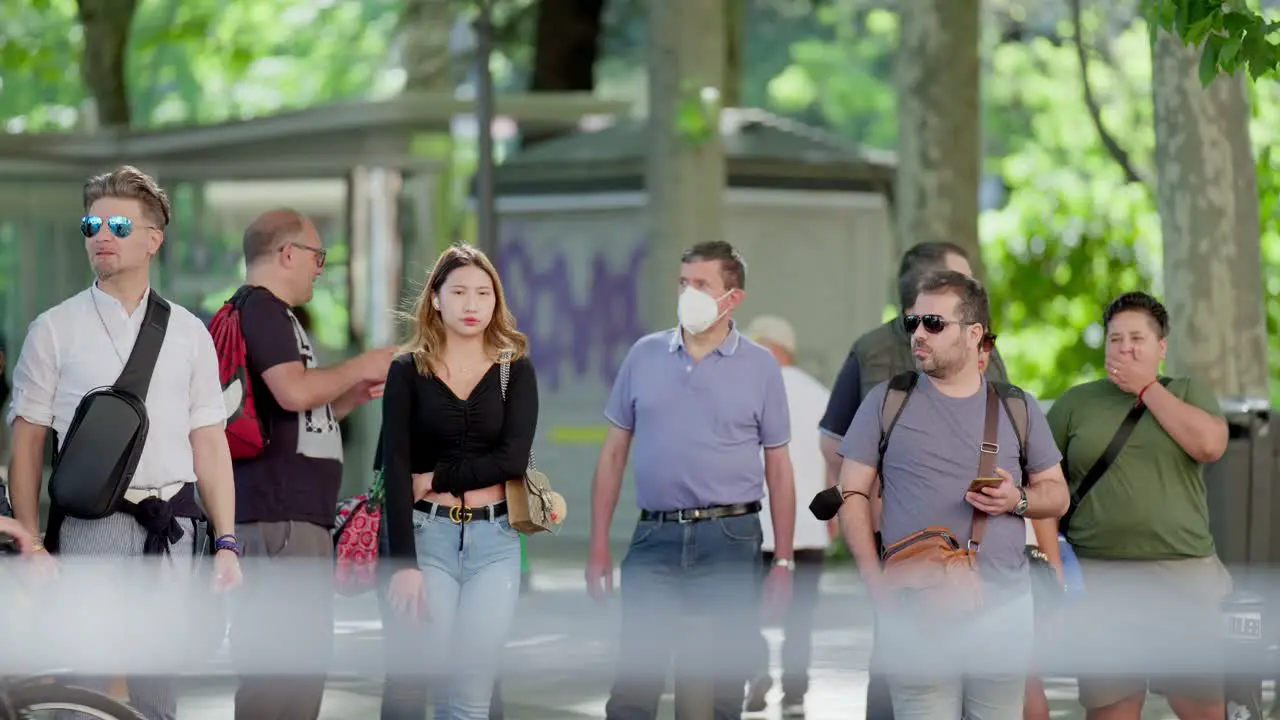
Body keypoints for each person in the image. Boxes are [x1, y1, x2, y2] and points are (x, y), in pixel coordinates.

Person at [5, 165, 242, 720]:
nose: (101, 236)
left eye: (117, 224)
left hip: (172, 526)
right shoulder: (54, 329)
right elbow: (27, 446)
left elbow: (209, 445)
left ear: (154, 239)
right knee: (81, 691)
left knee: (159, 695)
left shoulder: (188, 333)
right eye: (91, 224)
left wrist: (227, 542)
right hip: (88, 526)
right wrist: (32, 544)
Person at [834, 270, 1068, 720]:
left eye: (934, 324)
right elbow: (852, 494)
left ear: (974, 333)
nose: (918, 334)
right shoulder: (887, 401)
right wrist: (875, 585)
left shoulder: (1018, 406)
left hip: (1004, 612)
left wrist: (1016, 500)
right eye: (913, 323)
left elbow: (1057, 496)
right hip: (914, 608)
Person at [586, 240, 797, 720]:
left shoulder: (761, 366)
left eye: (701, 284)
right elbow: (614, 453)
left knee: (720, 693)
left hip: (730, 538)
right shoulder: (644, 355)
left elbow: (779, 468)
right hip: (653, 536)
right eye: (684, 282)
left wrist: (782, 561)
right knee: (634, 688)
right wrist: (599, 542)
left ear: (733, 297)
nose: (688, 292)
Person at [818, 241, 1010, 719]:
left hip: (960, 538)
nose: (973, 291)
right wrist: (872, 493)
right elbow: (835, 440)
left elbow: (1005, 428)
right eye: (961, 281)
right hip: (909, 540)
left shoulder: (972, 343)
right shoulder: (874, 350)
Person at [228, 209, 394, 720]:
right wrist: (364, 364)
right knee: (284, 678)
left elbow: (288, 415)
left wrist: (347, 398)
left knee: (291, 674)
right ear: (286, 254)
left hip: (288, 517)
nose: (320, 268)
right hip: (282, 520)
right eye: (318, 256)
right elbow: (293, 390)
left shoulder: (263, 315)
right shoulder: (264, 311)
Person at [1044, 291, 1230, 720]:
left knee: (1201, 707)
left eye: (1137, 339)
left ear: (1161, 347)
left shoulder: (1186, 391)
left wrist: (1146, 388)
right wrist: (1054, 566)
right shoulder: (1077, 402)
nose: (1124, 348)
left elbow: (1210, 445)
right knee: (1111, 709)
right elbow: (1041, 483)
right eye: (1115, 339)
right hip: (1101, 580)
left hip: (1183, 576)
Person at [381, 244, 537, 720]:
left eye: (484, 294)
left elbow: (512, 459)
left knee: (472, 691)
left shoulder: (515, 368)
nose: (472, 305)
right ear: (436, 299)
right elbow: (395, 469)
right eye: (460, 292)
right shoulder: (407, 371)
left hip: (497, 540)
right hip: (429, 537)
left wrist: (436, 476)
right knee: (437, 680)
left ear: (496, 301)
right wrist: (404, 564)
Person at [741, 315, 832, 718]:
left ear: (772, 348)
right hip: (810, 529)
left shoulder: (751, 390)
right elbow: (836, 461)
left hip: (758, 525)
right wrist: (832, 517)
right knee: (801, 617)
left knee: (747, 610)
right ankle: (795, 693)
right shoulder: (822, 395)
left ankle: (757, 669)